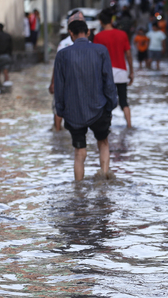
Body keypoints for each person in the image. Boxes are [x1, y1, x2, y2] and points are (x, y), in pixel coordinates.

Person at [54, 20, 117, 181]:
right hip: (99, 107)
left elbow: (59, 86)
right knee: (103, 142)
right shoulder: (101, 51)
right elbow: (108, 82)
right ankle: (103, 179)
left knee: (79, 152)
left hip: (73, 111)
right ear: (88, 32)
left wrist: (60, 110)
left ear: (70, 33)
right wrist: (110, 105)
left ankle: (79, 191)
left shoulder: (62, 54)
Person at [94, 10, 135, 128]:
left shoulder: (98, 37)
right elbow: (128, 54)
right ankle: (129, 125)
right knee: (124, 101)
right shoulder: (123, 34)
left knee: (105, 102)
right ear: (112, 20)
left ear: (101, 22)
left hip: (105, 73)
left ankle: (106, 126)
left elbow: (96, 58)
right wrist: (131, 72)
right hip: (121, 72)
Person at [49, 10, 85, 131]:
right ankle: (61, 133)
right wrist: (53, 82)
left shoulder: (64, 44)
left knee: (59, 107)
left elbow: (57, 65)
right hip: (75, 83)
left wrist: (53, 82)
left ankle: (58, 134)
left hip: (67, 82)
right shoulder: (88, 44)